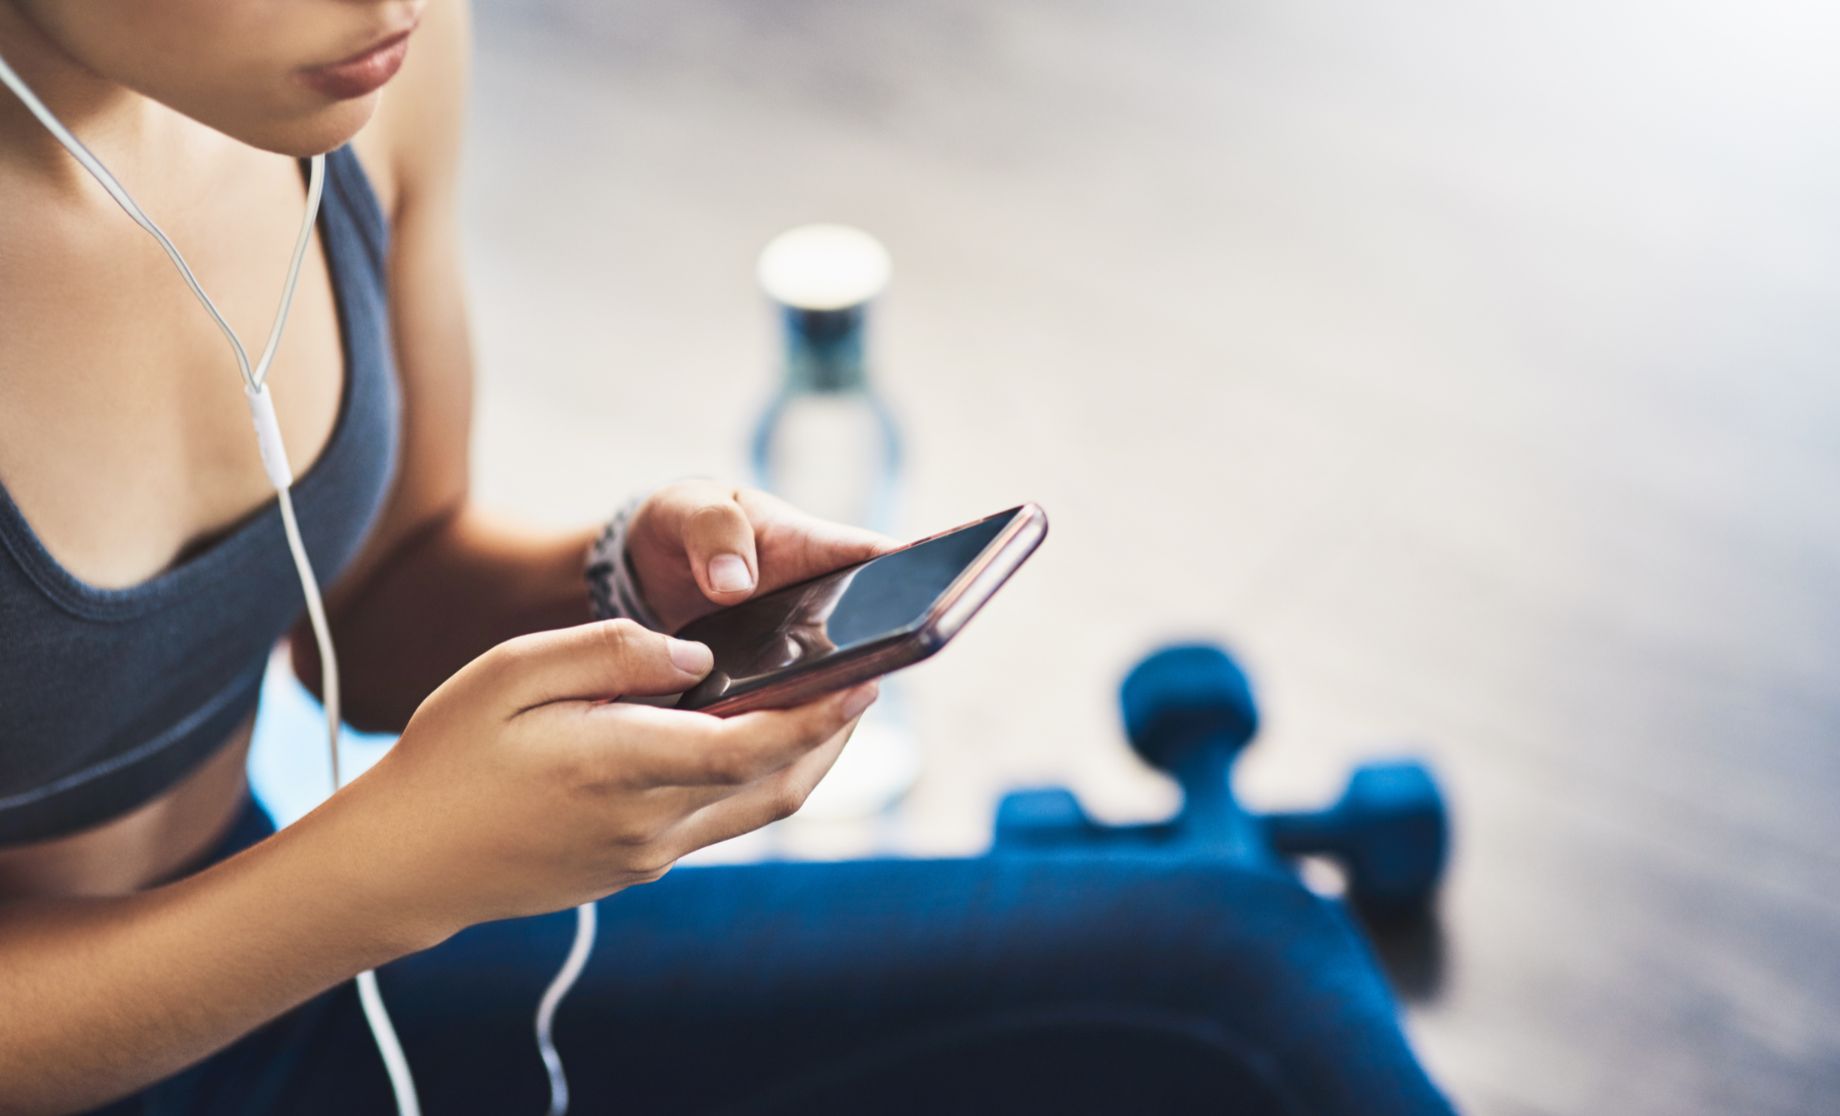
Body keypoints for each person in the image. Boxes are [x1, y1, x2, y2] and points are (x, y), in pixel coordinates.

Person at [0, 3, 1452, 1113]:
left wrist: (626, 593)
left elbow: (367, 600)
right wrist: (386, 879)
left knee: (1238, 982)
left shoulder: (362, 70)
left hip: (296, 985)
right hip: (208, 982)